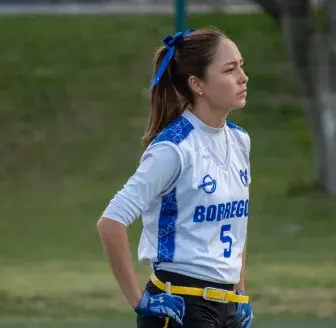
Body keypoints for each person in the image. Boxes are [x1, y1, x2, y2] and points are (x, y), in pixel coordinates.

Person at [97, 27, 253, 328]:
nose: (243, 77)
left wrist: (240, 290)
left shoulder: (240, 140)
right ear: (198, 84)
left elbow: (235, 226)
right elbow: (111, 223)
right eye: (229, 69)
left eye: (241, 66)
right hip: (180, 305)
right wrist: (140, 301)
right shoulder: (173, 148)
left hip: (229, 308)